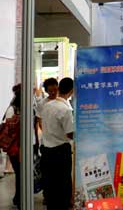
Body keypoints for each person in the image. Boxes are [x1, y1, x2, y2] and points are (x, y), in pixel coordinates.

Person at [40, 77, 74, 210]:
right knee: (63, 187)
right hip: (61, 152)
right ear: (71, 91)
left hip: (46, 151)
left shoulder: (47, 105)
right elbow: (70, 134)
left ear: (59, 88)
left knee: (50, 186)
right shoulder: (65, 110)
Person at [3, 84, 21, 208]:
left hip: (21, 146)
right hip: (15, 147)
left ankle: (18, 197)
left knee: (21, 173)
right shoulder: (12, 109)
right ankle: (19, 198)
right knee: (20, 173)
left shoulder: (23, 108)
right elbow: (9, 131)